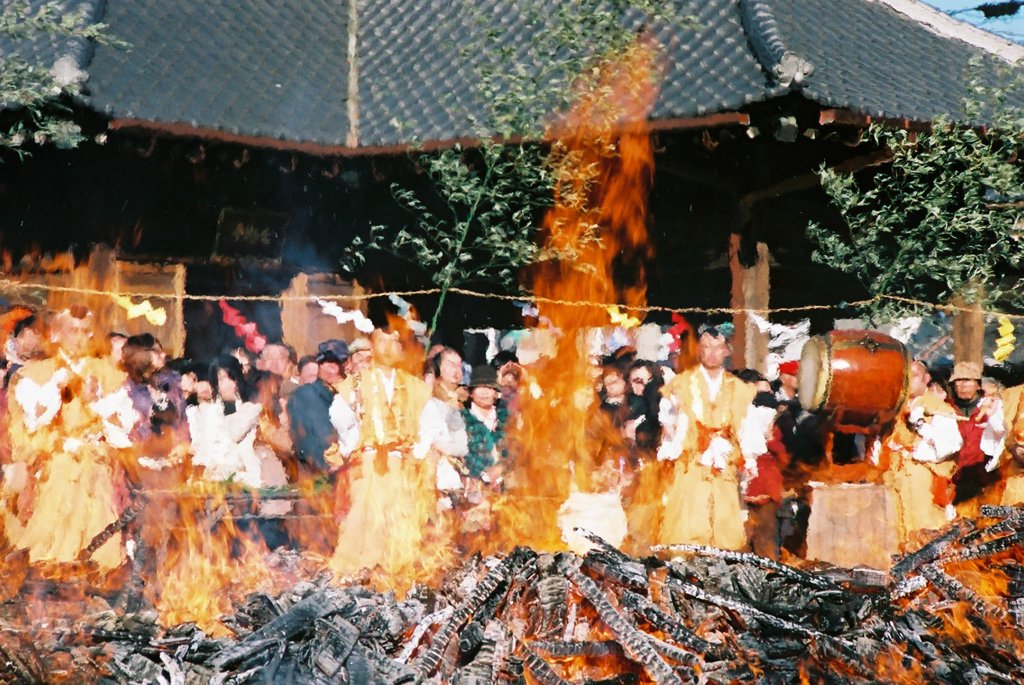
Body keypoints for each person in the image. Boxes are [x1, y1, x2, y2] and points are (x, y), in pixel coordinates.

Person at [3, 307, 134, 571]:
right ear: (56, 334)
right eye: (74, 331)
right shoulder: (34, 374)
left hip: (96, 469)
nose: (81, 337)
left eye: (86, 331)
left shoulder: (109, 374)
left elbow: (124, 431)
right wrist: (58, 386)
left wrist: (95, 402)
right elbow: (33, 422)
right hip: (49, 469)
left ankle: (93, 572)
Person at [327, 329, 433, 583]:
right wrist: (357, 440)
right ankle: (358, 574)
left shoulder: (413, 384)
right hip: (369, 463)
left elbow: (429, 424)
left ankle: (397, 576)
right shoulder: (356, 383)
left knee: (400, 518)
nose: (394, 345)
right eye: (387, 340)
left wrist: (417, 452)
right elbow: (341, 419)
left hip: (402, 464)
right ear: (375, 346)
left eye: (397, 341)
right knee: (366, 517)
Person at [656, 324, 765, 549]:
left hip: (725, 463)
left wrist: (750, 459)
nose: (712, 353)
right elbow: (667, 418)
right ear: (698, 350)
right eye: (706, 347)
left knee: (725, 517)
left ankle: (723, 559)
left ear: (726, 351)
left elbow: (747, 424)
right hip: (692, 462)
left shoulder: (739, 388)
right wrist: (673, 445)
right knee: (689, 517)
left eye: (718, 348)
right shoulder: (682, 383)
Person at [881, 360, 962, 545]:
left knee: (924, 531)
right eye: (904, 376)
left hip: (923, 482)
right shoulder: (894, 408)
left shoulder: (938, 409)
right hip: (894, 479)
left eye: (914, 375)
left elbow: (950, 445)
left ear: (926, 378)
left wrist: (919, 431)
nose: (908, 381)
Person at [186, 355, 264, 487]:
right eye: (216, 381)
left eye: (222, 379)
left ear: (235, 379)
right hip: (214, 479)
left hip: (246, 480)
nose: (218, 385)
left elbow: (232, 433)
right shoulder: (211, 409)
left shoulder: (252, 407)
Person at [948, 361, 1005, 512]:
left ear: (978, 384)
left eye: (968, 380)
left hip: (985, 483)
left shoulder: (994, 407)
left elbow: (1002, 433)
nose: (962, 384)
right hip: (953, 485)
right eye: (958, 381)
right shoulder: (946, 409)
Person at [286, 340, 348, 476]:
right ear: (319, 365)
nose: (332, 369)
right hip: (321, 476)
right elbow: (316, 440)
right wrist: (332, 467)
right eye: (327, 364)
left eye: (337, 364)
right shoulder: (307, 395)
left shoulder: (347, 394)